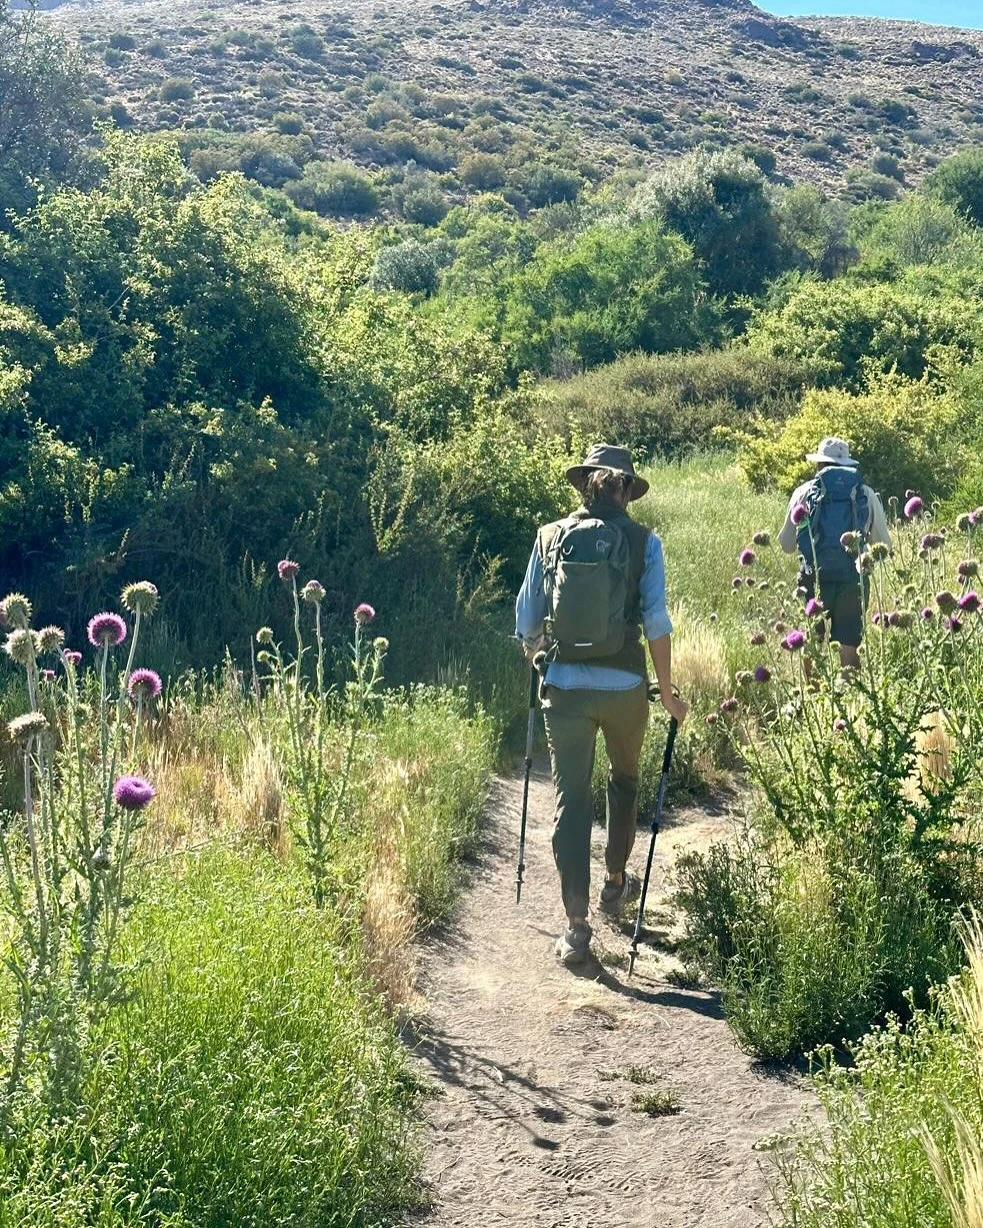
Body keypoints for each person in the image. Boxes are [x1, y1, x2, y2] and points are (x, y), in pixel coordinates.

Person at [515, 443, 689, 968]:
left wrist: (540, 659)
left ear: (584, 485)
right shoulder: (644, 543)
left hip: (565, 689)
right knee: (624, 779)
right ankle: (615, 880)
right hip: (626, 687)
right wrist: (668, 692)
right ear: (627, 491)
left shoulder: (549, 536)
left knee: (570, 801)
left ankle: (576, 928)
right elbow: (656, 622)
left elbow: (527, 622)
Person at [777, 436, 891, 673]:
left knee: (811, 643)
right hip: (853, 578)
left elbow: (786, 545)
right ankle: (849, 694)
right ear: (847, 463)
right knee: (849, 643)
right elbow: (883, 545)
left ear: (819, 464)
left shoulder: (803, 493)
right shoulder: (866, 493)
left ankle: (815, 693)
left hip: (813, 579)